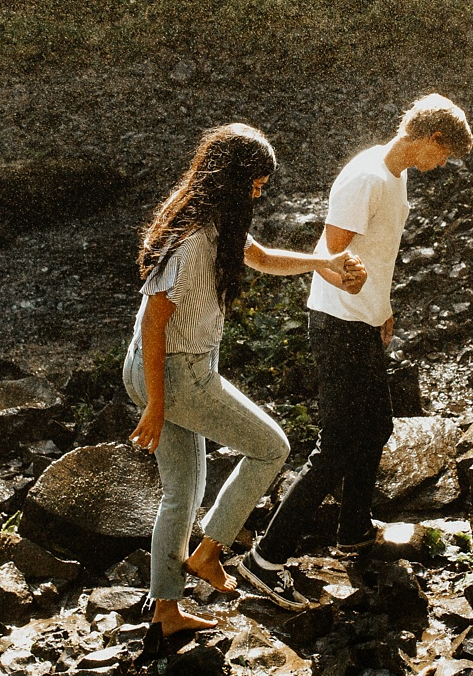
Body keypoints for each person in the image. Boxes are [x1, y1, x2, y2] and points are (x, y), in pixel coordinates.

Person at [123, 122, 366, 643]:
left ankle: (166, 610)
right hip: (172, 372)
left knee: (181, 489)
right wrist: (157, 405)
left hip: (166, 367)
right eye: (256, 183)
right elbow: (153, 321)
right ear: (233, 180)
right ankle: (209, 553)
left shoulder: (214, 220)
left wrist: (323, 263)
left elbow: (259, 257)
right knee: (270, 447)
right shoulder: (194, 240)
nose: (260, 192)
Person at [239, 94, 473, 610]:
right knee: (338, 445)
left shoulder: (396, 173)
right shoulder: (366, 177)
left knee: (378, 426)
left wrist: (382, 306)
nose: (442, 167)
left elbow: (378, 251)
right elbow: (328, 254)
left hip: (363, 320)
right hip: (338, 323)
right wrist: (358, 300)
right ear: (432, 140)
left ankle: (354, 530)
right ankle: (265, 559)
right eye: (446, 156)